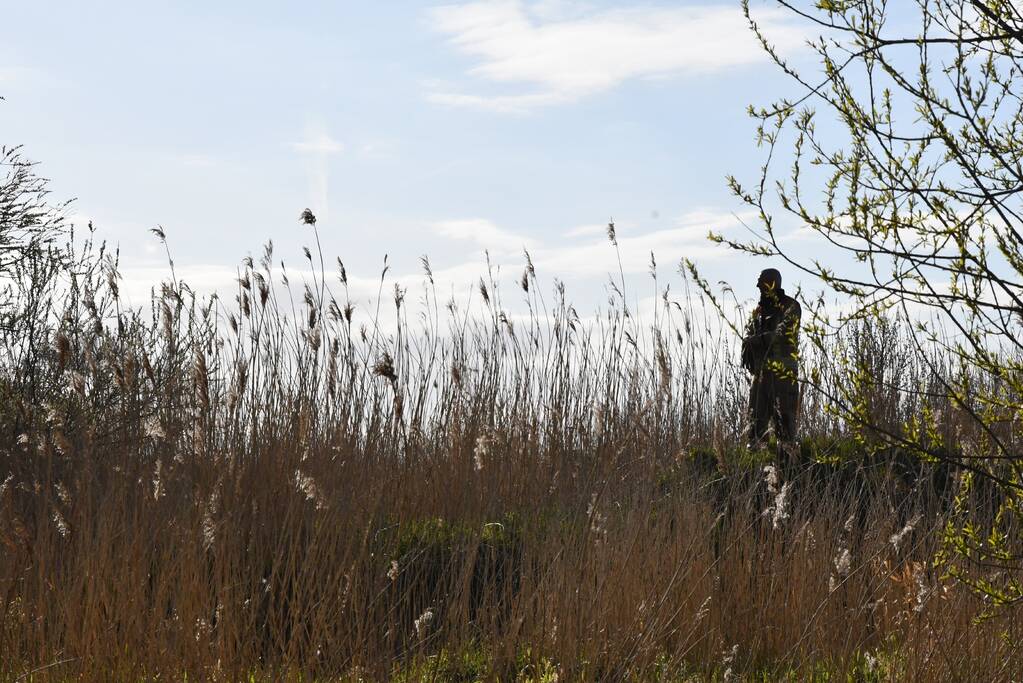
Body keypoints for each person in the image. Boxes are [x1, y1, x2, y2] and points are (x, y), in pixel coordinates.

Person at [742, 268, 801, 454]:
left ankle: (788, 462)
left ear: (771, 283)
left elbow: (781, 335)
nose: (757, 286)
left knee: (785, 425)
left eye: (761, 282)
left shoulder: (791, 306)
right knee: (755, 426)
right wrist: (749, 344)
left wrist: (756, 340)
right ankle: (757, 463)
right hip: (761, 376)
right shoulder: (759, 311)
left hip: (783, 375)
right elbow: (748, 334)